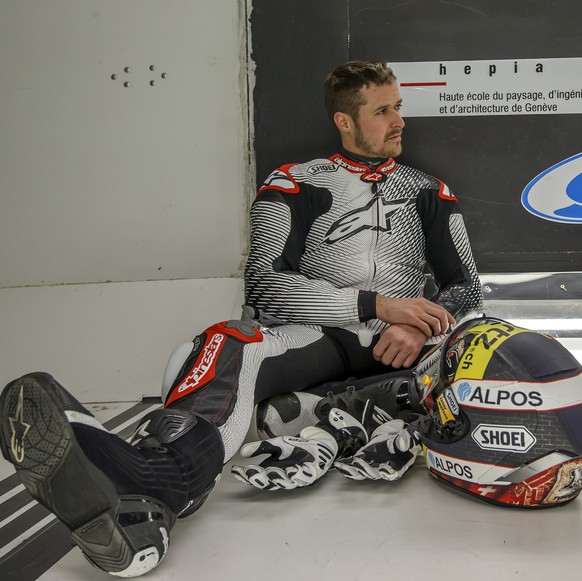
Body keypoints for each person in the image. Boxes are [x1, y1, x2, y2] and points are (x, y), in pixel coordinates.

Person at [0, 60, 482, 577]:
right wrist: (378, 306)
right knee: (225, 340)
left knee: (502, 348)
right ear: (344, 121)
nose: (398, 120)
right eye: (382, 110)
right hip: (327, 335)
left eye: (398, 108)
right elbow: (265, 285)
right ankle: (155, 495)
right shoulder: (294, 183)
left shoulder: (430, 188)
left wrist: (416, 324)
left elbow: (468, 286)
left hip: (415, 350)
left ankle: (148, 491)